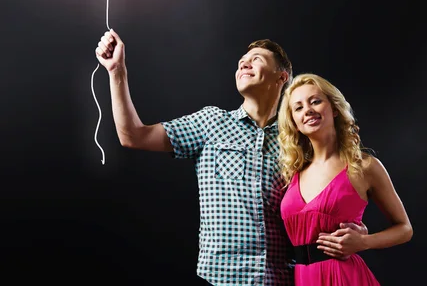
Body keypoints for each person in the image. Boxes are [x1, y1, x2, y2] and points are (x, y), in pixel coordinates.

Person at [94, 29, 366, 286]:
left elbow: (326, 201)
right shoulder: (210, 122)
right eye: (241, 62)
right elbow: (133, 135)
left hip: (283, 279)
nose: (244, 65)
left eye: (255, 60)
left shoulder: (299, 142)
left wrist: (358, 233)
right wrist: (117, 71)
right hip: (221, 279)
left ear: (281, 78)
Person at [277, 73, 413, 285]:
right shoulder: (291, 172)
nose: (308, 110)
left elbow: (405, 228)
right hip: (301, 278)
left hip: (343, 277)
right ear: (294, 122)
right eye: (298, 107)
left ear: (334, 108)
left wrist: (364, 241)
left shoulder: (364, 166)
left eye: (315, 101)